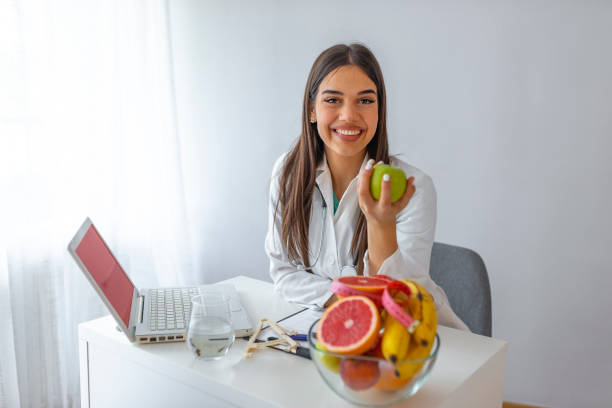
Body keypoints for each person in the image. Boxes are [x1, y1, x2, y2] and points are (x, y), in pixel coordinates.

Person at [265, 43, 469, 330]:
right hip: (338, 326)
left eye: (365, 101)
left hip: (417, 340)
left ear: (379, 110)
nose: (349, 115)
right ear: (312, 110)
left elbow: (396, 302)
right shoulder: (288, 174)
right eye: (333, 100)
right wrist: (347, 305)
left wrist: (380, 223)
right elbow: (284, 273)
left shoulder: (415, 188)